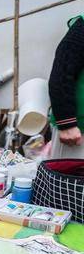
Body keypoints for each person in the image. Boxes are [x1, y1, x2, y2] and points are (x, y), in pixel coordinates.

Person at [48, 14, 84, 158]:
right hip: (77, 131)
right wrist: (67, 124)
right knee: (68, 173)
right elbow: (62, 73)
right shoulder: (81, 28)